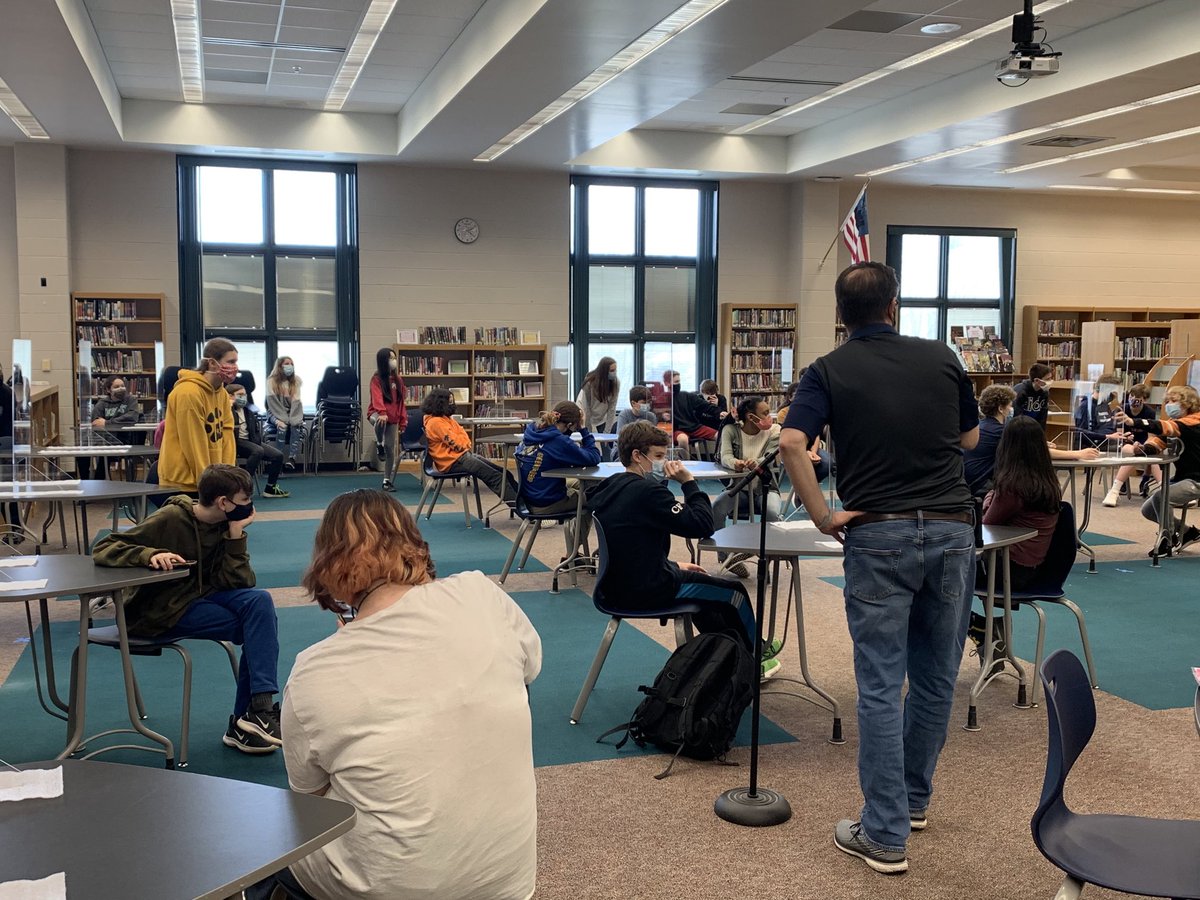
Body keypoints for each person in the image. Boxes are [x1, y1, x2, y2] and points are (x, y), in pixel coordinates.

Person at [779, 261, 978, 875]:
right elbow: (970, 440)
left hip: (877, 532)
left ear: (841, 314)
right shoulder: (942, 357)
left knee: (880, 684)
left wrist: (821, 515)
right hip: (951, 529)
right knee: (937, 676)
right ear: (895, 305)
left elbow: (790, 443)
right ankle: (913, 803)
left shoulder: (827, 369)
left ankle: (886, 832)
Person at [245, 490, 540, 900]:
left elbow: (310, 798)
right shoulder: (482, 593)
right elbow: (528, 672)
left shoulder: (316, 669)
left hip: (384, 886)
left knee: (266, 832)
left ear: (328, 562)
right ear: (413, 542)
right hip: (508, 880)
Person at [92, 464, 282, 753]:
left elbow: (239, 582)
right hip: (159, 610)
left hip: (202, 597)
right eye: (245, 500)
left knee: (260, 602)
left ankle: (258, 711)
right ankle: (250, 718)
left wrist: (235, 536)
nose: (250, 505)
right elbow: (104, 547)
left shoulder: (226, 525)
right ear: (223, 502)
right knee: (257, 628)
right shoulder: (170, 518)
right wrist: (150, 554)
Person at [587, 421, 781, 680]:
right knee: (734, 592)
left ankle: (732, 659)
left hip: (616, 587)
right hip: (650, 589)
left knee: (708, 598)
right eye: (658, 456)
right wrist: (688, 483)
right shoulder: (647, 492)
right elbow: (703, 525)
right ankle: (758, 655)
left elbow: (632, 546)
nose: (664, 463)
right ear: (637, 456)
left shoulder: (612, 487)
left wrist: (673, 565)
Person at [967, 385, 1099, 497]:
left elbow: (1020, 444)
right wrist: (1078, 453)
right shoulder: (1002, 431)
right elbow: (1038, 451)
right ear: (1001, 409)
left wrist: (1035, 442)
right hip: (983, 485)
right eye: (1009, 405)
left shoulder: (982, 426)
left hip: (972, 481)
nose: (1011, 409)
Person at [1117, 384, 1200, 556]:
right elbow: (1158, 442)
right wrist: (1141, 448)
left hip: (1197, 480)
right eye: (1167, 401)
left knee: (1162, 498)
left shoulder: (1193, 423)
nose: (1169, 404)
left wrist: (1133, 422)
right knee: (1148, 509)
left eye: (1173, 401)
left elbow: (1165, 427)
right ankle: (1187, 532)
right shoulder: (1176, 423)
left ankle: (1168, 540)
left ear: (1188, 404)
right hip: (1183, 477)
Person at [515, 401, 600, 555]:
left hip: (530, 496)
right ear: (570, 425)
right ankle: (572, 555)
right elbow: (594, 457)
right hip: (546, 501)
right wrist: (583, 430)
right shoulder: (559, 441)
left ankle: (574, 553)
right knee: (595, 497)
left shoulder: (533, 430)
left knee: (579, 484)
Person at [159, 338, 237, 494]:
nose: (235, 367)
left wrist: (227, 475)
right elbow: (193, 443)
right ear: (212, 363)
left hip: (213, 477)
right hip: (185, 481)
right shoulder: (188, 393)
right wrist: (207, 483)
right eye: (230, 362)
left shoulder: (221, 392)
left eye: (236, 362)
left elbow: (227, 432)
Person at [421, 387, 517, 500]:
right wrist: (463, 442)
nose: (452, 404)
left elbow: (464, 439)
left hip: (461, 457)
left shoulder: (447, 419)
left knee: (505, 474)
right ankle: (520, 507)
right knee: (496, 478)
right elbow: (459, 446)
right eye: (450, 401)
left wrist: (463, 442)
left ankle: (526, 501)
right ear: (440, 403)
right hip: (452, 462)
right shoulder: (436, 423)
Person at [1103, 383, 1162, 506]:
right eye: (1131, 396)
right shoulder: (1122, 409)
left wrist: (1144, 446)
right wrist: (1127, 438)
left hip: (1143, 442)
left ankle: (1153, 484)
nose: (1133, 400)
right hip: (1125, 442)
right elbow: (1119, 434)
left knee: (1149, 454)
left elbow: (1151, 436)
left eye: (1137, 398)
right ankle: (1117, 488)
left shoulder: (1149, 412)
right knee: (1135, 453)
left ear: (1144, 400)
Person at [227, 384, 289, 498]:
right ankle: (244, 486)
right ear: (230, 396)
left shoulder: (248, 411)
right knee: (258, 451)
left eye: (245, 395)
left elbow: (255, 431)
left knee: (278, 455)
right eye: (240, 395)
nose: (243, 398)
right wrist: (229, 406)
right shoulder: (226, 411)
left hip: (251, 441)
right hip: (235, 442)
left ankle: (270, 488)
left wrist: (257, 440)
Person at [367, 347, 408, 492]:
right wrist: (382, 412)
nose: (394, 361)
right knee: (380, 420)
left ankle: (387, 481)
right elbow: (377, 397)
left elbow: (401, 402)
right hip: (376, 413)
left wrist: (403, 421)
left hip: (393, 418)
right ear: (383, 361)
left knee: (390, 449)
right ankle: (379, 443)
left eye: (394, 358)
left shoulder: (398, 380)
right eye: (391, 358)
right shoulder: (376, 379)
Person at [669, 373, 722, 459]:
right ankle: (687, 463)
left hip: (694, 427)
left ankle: (719, 460)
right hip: (677, 430)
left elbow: (705, 406)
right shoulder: (664, 399)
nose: (677, 384)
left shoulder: (687, 396)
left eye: (678, 381)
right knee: (683, 439)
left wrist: (719, 412)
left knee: (720, 436)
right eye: (675, 382)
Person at [266, 356, 304, 471]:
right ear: (279, 366)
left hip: (291, 412)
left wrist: (293, 419)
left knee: (295, 425)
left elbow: (296, 403)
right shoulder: (271, 381)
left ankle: (292, 459)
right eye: (287, 364)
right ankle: (278, 459)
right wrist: (282, 419)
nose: (290, 366)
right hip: (274, 412)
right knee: (282, 427)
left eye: (291, 364)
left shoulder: (296, 381)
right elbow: (273, 404)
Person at [575, 356, 620, 433]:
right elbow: (587, 407)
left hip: (601, 414)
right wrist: (588, 431)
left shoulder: (615, 383)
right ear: (604, 371)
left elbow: (612, 408)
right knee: (586, 435)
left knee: (605, 437)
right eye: (612, 370)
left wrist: (607, 431)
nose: (614, 373)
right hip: (585, 410)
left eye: (615, 370)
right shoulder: (590, 382)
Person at [1073, 379, 1120, 448]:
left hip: (1104, 445)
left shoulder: (1104, 405)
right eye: (1112, 394)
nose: (1114, 397)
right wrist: (1106, 436)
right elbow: (1081, 433)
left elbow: (1107, 427)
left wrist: (1119, 436)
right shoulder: (1085, 406)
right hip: (1090, 448)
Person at [1012, 363, 1052, 429]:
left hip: (1034, 427)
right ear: (1036, 380)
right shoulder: (1020, 391)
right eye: (1047, 379)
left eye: (1050, 378)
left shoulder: (1044, 392)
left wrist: (1041, 432)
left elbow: (1043, 416)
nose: (1050, 381)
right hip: (1020, 427)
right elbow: (1016, 415)